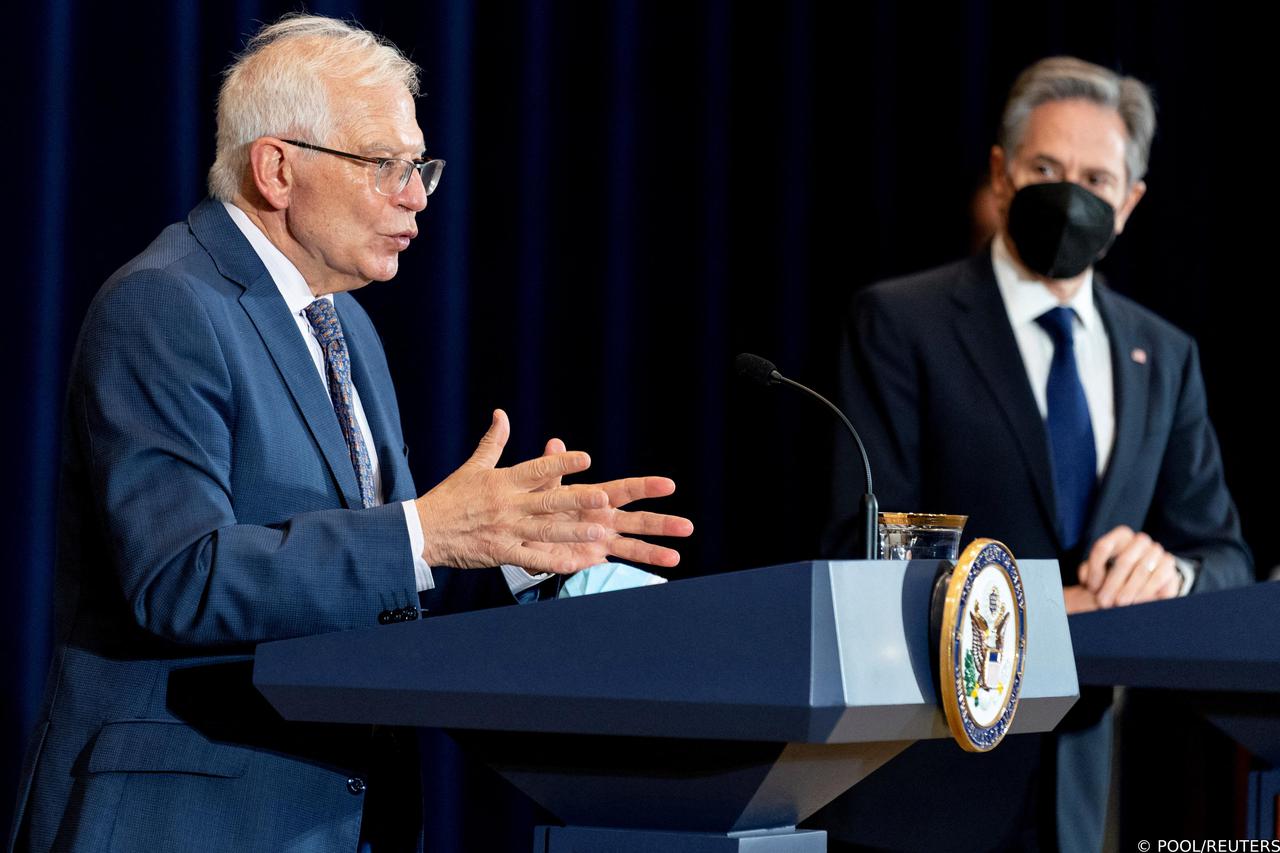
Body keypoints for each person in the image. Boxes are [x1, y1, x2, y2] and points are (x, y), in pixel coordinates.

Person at [8, 15, 692, 853]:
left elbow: (373, 579)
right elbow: (181, 576)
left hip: (342, 816)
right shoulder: (165, 303)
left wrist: (510, 548)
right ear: (277, 168)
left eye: (420, 168)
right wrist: (430, 531)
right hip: (189, 816)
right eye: (384, 166)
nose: (415, 196)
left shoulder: (348, 330)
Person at [821, 57, 1251, 852]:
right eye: (1047, 169)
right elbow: (865, 556)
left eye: (1096, 177)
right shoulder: (900, 322)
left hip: (1082, 798)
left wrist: (1173, 575)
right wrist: (1048, 607)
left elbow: (1225, 558)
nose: (1069, 195)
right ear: (1001, 173)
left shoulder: (1165, 355)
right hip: (924, 789)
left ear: (1130, 203)